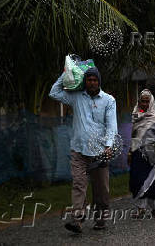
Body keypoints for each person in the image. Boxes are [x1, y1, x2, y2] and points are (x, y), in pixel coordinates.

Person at [49, 67, 117, 233]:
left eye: (95, 80)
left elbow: (111, 125)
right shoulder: (76, 97)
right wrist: (67, 71)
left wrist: (108, 145)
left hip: (100, 153)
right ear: (84, 81)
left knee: (101, 189)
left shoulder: (109, 100)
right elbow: (54, 92)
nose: (92, 82)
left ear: (99, 81)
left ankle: (100, 219)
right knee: (79, 184)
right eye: (89, 80)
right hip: (78, 150)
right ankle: (77, 221)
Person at [128, 89, 155, 218]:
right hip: (138, 152)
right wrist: (130, 152)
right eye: (143, 101)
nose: (145, 104)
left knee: (154, 181)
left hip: (154, 152)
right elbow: (134, 134)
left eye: (147, 101)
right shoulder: (136, 114)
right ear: (139, 101)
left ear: (151, 101)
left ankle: (154, 208)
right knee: (138, 180)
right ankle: (141, 208)